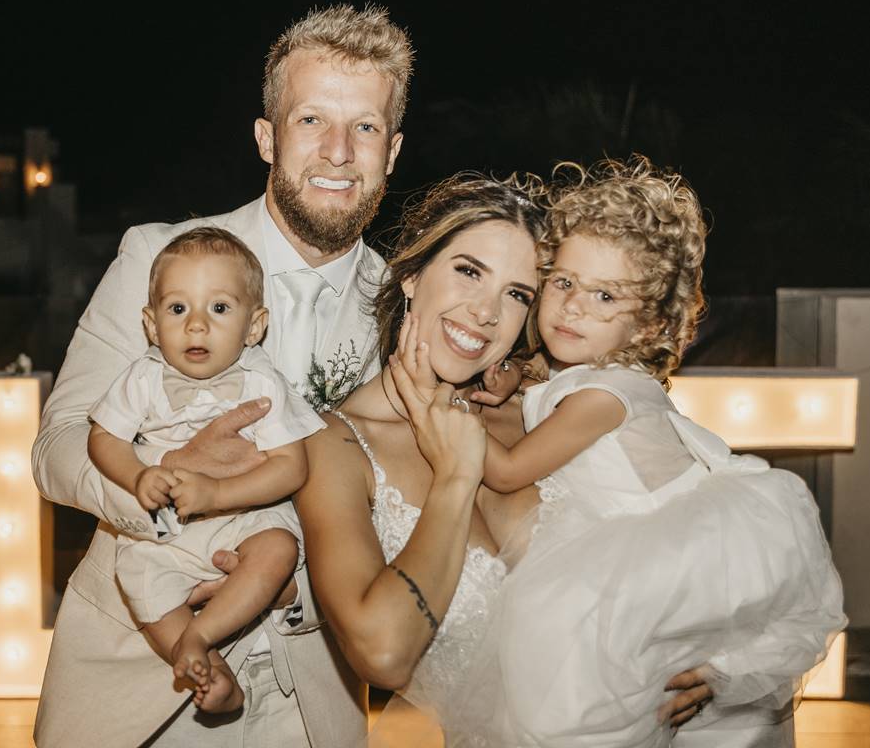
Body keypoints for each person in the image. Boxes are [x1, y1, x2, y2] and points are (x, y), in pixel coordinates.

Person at [32, 3, 414, 748]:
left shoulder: (414, 306)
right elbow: (56, 449)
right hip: (137, 686)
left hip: (316, 694)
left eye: (364, 127)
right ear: (267, 137)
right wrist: (166, 487)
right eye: (312, 121)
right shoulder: (157, 256)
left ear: (393, 151)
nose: (338, 151)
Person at [296, 173, 716, 748]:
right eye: (469, 271)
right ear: (413, 276)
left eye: (518, 294)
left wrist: (716, 651)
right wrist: (456, 475)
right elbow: (385, 654)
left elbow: (689, 525)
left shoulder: (546, 410)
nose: (487, 312)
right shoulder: (337, 446)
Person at [453, 156, 847, 746]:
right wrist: (512, 375)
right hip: (643, 564)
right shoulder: (584, 374)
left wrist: (449, 412)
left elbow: (509, 471)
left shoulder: (604, 395)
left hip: (667, 561)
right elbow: (536, 378)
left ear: (646, 326)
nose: (574, 306)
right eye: (563, 282)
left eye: (605, 295)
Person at [87, 227, 326, 711]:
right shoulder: (143, 377)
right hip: (169, 531)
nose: (196, 326)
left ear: (254, 326)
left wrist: (218, 493)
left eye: (219, 309)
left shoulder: (261, 382)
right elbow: (102, 439)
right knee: (139, 576)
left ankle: (198, 638)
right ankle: (209, 673)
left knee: (278, 547)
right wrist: (138, 475)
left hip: (243, 517)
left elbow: (290, 467)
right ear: (152, 326)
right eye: (178, 309)